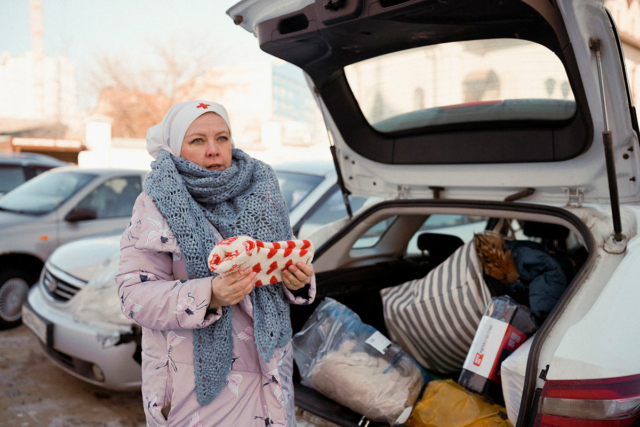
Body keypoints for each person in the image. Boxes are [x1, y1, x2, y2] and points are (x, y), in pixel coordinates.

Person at [117, 100, 316, 427]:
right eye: (198, 140)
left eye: (222, 138)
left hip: (271, 375)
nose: (214, 150)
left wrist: (298, 281)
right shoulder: (155, 204)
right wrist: (209, 294)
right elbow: (134, 296)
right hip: (197, 392)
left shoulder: (262, 189)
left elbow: (283, 255)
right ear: (174, 147)